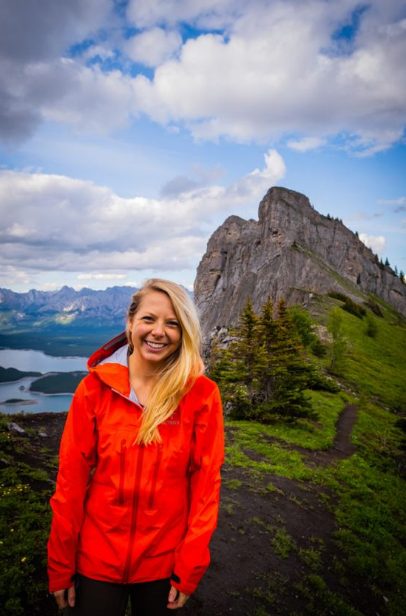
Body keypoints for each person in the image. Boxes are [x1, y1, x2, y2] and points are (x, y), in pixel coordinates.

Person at [47, 279, 224, 615]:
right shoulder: (94, 390)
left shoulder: (201, 395)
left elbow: (206, 487)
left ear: (183, 332)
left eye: (172, 323)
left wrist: (189, 566)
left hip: (163, 562)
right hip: (97, 558)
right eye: (149, 319)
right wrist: (60, 564)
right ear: (130, 324)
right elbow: (70, 483)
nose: (159, 332)